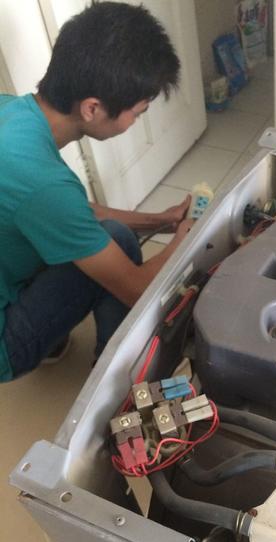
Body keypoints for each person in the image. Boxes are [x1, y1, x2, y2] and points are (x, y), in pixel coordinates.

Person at [0, 1, 196, 382]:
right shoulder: (44, 184)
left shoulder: (11, 113)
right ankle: (115, 379)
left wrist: (160, 220)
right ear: (92, 108)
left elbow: (70, 212)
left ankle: (50, 336)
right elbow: (136, 289)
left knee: (76, 231)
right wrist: (182, 242)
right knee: (118, 240)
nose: (136, 121)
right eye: (138, 112)